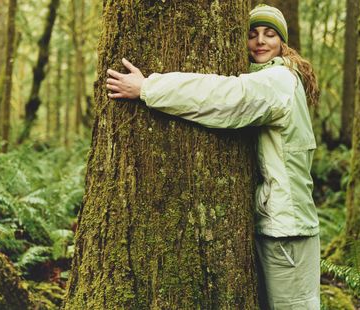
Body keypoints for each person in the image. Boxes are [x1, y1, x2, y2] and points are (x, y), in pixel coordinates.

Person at [106, 4, 320, 309]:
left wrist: (149, 87)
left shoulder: (279, 80)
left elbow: (224, 98)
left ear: (282, 43)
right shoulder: (278, 78)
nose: (260, 41)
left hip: (288, 231)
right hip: (282, 224)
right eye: (252, 34)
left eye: (270, 34)